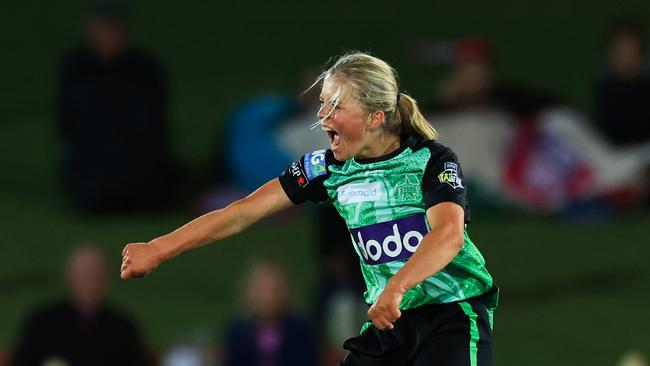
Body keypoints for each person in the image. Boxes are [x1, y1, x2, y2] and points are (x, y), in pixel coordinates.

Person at [120, 52, 498, 366]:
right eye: (322, 105)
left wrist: (397, 286)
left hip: (452, 313)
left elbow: (447, 235)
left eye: (335, 106)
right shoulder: (325, 169)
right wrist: (158, 248)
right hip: (389, 323)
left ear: (375, 117)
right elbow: (243, 212)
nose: (322, 117)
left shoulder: (431, 160)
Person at [12, 245, 148, 366]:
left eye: (96, 275)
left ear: (106, 279)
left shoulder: (123, 328)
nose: (90, 282)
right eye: (83, 275)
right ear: (70, 277)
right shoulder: (42, 323)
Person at [222, 259, 319, 366]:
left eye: (273, 288)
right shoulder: (238, 331)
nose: (267, 297)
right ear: (249, 291)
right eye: (261, 289)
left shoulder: (300, 329)